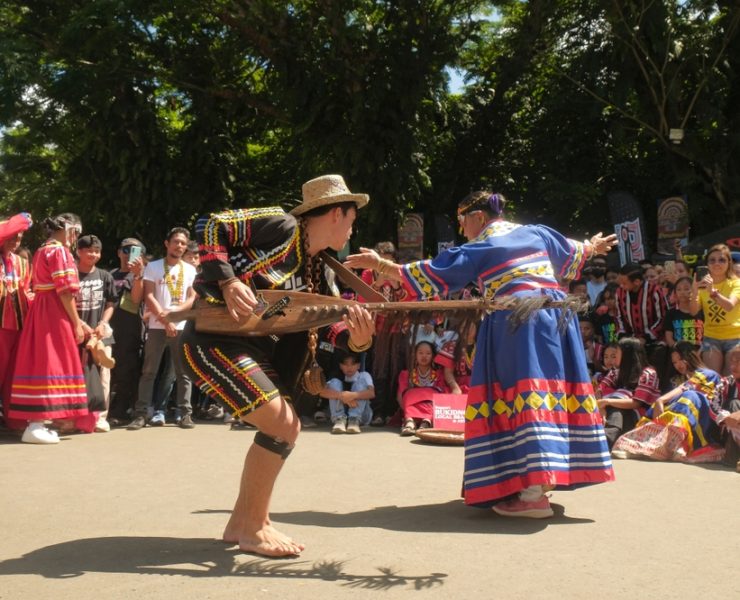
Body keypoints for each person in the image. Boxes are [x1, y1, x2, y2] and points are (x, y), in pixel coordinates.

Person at [346, 190, 616, 518]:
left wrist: (382, 265)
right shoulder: (536, 232)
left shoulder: (483, 246)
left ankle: (532, 495)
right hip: (557, 320)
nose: (462, 230)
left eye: (462, 221)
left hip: (518, 321)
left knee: (522, 396)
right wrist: (592, 246)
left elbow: (435, 273)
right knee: (547, 394)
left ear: (478, 217)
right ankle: (540, 482)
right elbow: (576, 252)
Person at [181, 174, 375, 556]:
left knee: (285, 427)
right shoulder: (282, 225)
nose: (354, 227)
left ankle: (244, 522)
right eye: (353, 219)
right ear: (338, 213)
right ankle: (253, 528)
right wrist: (227, 281)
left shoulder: (319, 270)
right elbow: (211, 225)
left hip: (252, 350)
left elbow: (330, 325)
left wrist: (357, 339)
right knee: (282, 424)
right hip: (211, 341)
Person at [8, 213, 88, 444]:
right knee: (51, 362)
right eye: (76, 232)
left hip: (42, 309)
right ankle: (36, 423)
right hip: (53, 311)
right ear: (67, 228)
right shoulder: (60, 251)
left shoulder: (43, 250)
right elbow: (64, 291)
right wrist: (76, 323)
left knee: (42, 361)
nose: (76, 237)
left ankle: (39, 421)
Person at [127, 227, 197, 430]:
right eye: (176, 242)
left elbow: (192, 298)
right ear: (167, 244)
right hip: (158, 326)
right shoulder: (154, 267)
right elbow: (148, 296)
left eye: (183, 243)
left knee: (184, 372)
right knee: (149, 371)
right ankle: (141, 414)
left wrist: (175, 318)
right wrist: (166, 321)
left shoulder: (190, 269)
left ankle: (185, 414)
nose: (180, 246)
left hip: (182, 326)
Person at [611, 342, 725, 462]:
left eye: (681, 359)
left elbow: (687, 387)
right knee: (660, 405)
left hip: (704, 421)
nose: (678, 365)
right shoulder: (676, 379)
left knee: (689, 396)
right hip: (684, 416)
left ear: (690, 356)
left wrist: (661, 400)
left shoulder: (709, 374)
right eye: (674, 362)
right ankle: (649, 442)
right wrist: (660, 403)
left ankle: (664, 446)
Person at [71, 234, 118, 433]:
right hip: (77, 333)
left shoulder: (105, 276)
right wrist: (80, 324)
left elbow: (111, 303)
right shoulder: (71, 274)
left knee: (103, 375)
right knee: (76, 375)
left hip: (100, 334)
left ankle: (100, 417)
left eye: (97, 251)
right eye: (89, 250)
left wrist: (102, 323)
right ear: (79, 252)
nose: (93, 254)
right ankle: (75, 417)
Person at [0, 213, 33, 431]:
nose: (15, 242)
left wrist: (30, 297)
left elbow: (28, 289)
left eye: (19, 238)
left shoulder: (22, 263)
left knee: (15, 373)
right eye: (11, 237)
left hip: (19, 325)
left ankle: (14, 418)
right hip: (0, 324)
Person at [107, 238, 146, 426]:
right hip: (108, 329)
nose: (129, 253)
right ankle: (105, 409)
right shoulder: (108, 274)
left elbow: (137, 299)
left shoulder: (143, 276)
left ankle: (121, 410)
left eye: (135, 250)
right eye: (126, 249)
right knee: (107, 368)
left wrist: (138, 274)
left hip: (131, 330)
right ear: (118, 252)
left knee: (127, 369)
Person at [597, 337, 661, 447]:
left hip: (639, 419)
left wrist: (606, 401)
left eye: (616, 353)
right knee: (615, 397)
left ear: (627, 355)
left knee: (621, 394)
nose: (614, 357)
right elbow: (599, 389)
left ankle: (606, 438)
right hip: (617, 416)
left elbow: (636, 403)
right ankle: (607, 437)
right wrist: (602, 405)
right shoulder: (616, 372)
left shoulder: (648, 374)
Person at [690, 244, 740, 375]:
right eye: (712, 260)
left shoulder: (736, 283)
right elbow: (693, 311)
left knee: (731, 378)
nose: (717, 263)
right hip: (712, 337)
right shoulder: (701, 284)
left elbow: (729, 306)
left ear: (729, 263)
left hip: (735, 337)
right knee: (712, 377)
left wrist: (712, 291)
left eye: (722, 260)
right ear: (707, 264)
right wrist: (694, 291)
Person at [396, 341, 449, 436]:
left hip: (430, 409)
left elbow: (443, 397)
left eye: (428, 353)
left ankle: (426, 422)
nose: (424, 356)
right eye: (420, 353)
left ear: (433, 356)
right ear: (415, 355)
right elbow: (401, 396)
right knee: (408, 394)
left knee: (435, 395)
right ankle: (409, 422)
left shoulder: (439, 374)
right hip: (410, 408)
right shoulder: (406, 374)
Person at [615, 263, 669, 345]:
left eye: (624, 283)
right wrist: (623, 335)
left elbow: (662, 318)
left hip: (655, 341)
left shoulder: (655, 291)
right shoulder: (620, 293)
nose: (621, 286)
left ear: (637, 282)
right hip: (631, 340)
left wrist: (646, 338)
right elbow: (619, 317)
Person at [321, 352, 374, 434]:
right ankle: (339, 419)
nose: (349, 367)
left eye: (353, 364)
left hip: (362, 415)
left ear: (359, 365)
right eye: (345, 364)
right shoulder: (337, 376)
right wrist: (342, 396)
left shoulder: (364, 375)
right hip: (342, 413)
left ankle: (354, 419)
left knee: (361, 382)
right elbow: (322, 392)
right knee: (334, 383)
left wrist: (352, 396)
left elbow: (371, 393)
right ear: (341, 366)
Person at [664, 276, 703, 347]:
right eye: (679, 289)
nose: (682, 292)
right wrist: (677, 350)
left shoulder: (702, 312)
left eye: (686, 289)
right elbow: (669, 337)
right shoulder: (671, 313)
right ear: (675, 293)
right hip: (678, 353)